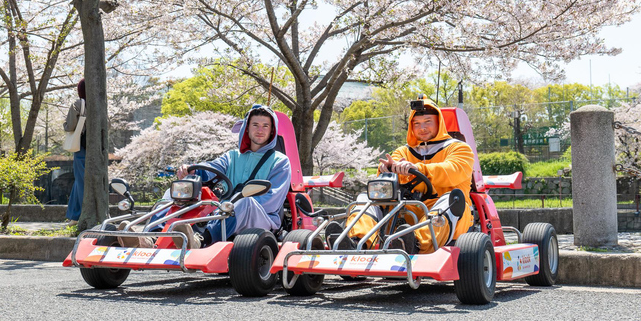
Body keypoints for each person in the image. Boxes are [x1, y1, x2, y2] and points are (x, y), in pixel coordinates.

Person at [118, 104, 291, 249]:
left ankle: (201, 241)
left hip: (262, 217)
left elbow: (272, 200)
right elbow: (212, 168)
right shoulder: (232, 156)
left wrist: (230, 205)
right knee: (176, 193)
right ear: (247, 128)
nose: (260, 130)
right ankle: (151, 239)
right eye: (255, 125)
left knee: (243, 202)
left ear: (272, 130)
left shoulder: (280, 162)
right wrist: (192, 171)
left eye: (265, 126)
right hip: (225, 208)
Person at [332, 95, 474, 254]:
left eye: (428, 122)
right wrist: (385, 170)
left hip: (443, 210)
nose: (422, 128)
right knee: (366, 198)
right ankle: (357, 243)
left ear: (439, 122)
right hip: (406, 212)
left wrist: (420, 169)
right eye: (417, 123)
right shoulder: (403, 151)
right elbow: (390, 183)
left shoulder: (459, 148)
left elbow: (453, 170)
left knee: (450, 200)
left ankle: (415, 244)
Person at [63, 79, 86, 226]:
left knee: (81, 181)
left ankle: (77, 216)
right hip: (97, 150)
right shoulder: (101, 104)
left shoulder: (78, 104)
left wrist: (64, 125)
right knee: (79, 182)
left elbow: (69, 126)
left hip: (81, 148)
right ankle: (73, 216)